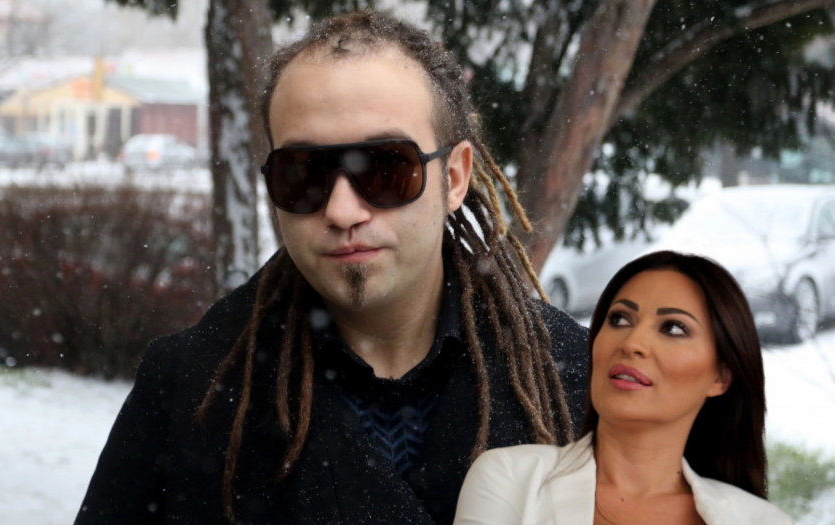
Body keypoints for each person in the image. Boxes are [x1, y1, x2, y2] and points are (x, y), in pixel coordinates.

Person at [75, 10, 588, 525]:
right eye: (303, 174)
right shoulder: (191, 389)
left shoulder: (576, 383)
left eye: (386, 167)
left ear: (453, 178)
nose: (342, 211)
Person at [454, 250, 791, 525]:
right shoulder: (512, 479)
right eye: (619, 319)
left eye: (673, 328)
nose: (632, 343)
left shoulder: (762, 521)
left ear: (721, 377)